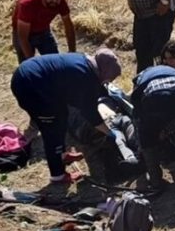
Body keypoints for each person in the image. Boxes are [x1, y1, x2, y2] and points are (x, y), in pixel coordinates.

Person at [10, 49, 122, 183]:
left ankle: (61, 156)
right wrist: (109, 133)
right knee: (52, 128)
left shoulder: (85, 63)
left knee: (62, 114)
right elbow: (90, 113)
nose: (108, 82)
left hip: (34, 77)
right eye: (109, 79)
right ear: (103, 72)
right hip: (29, 86)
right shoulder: (85, 77)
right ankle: (58, 175)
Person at [12, 0, 76, 61]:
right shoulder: (28, 5)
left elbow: (69, 27)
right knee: (28, 67)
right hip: (22, 33)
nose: (55, 1)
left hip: (43, 31)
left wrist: (72, 52)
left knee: (54, 63)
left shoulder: (61, 3)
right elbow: (23, 37)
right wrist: (32, 62)